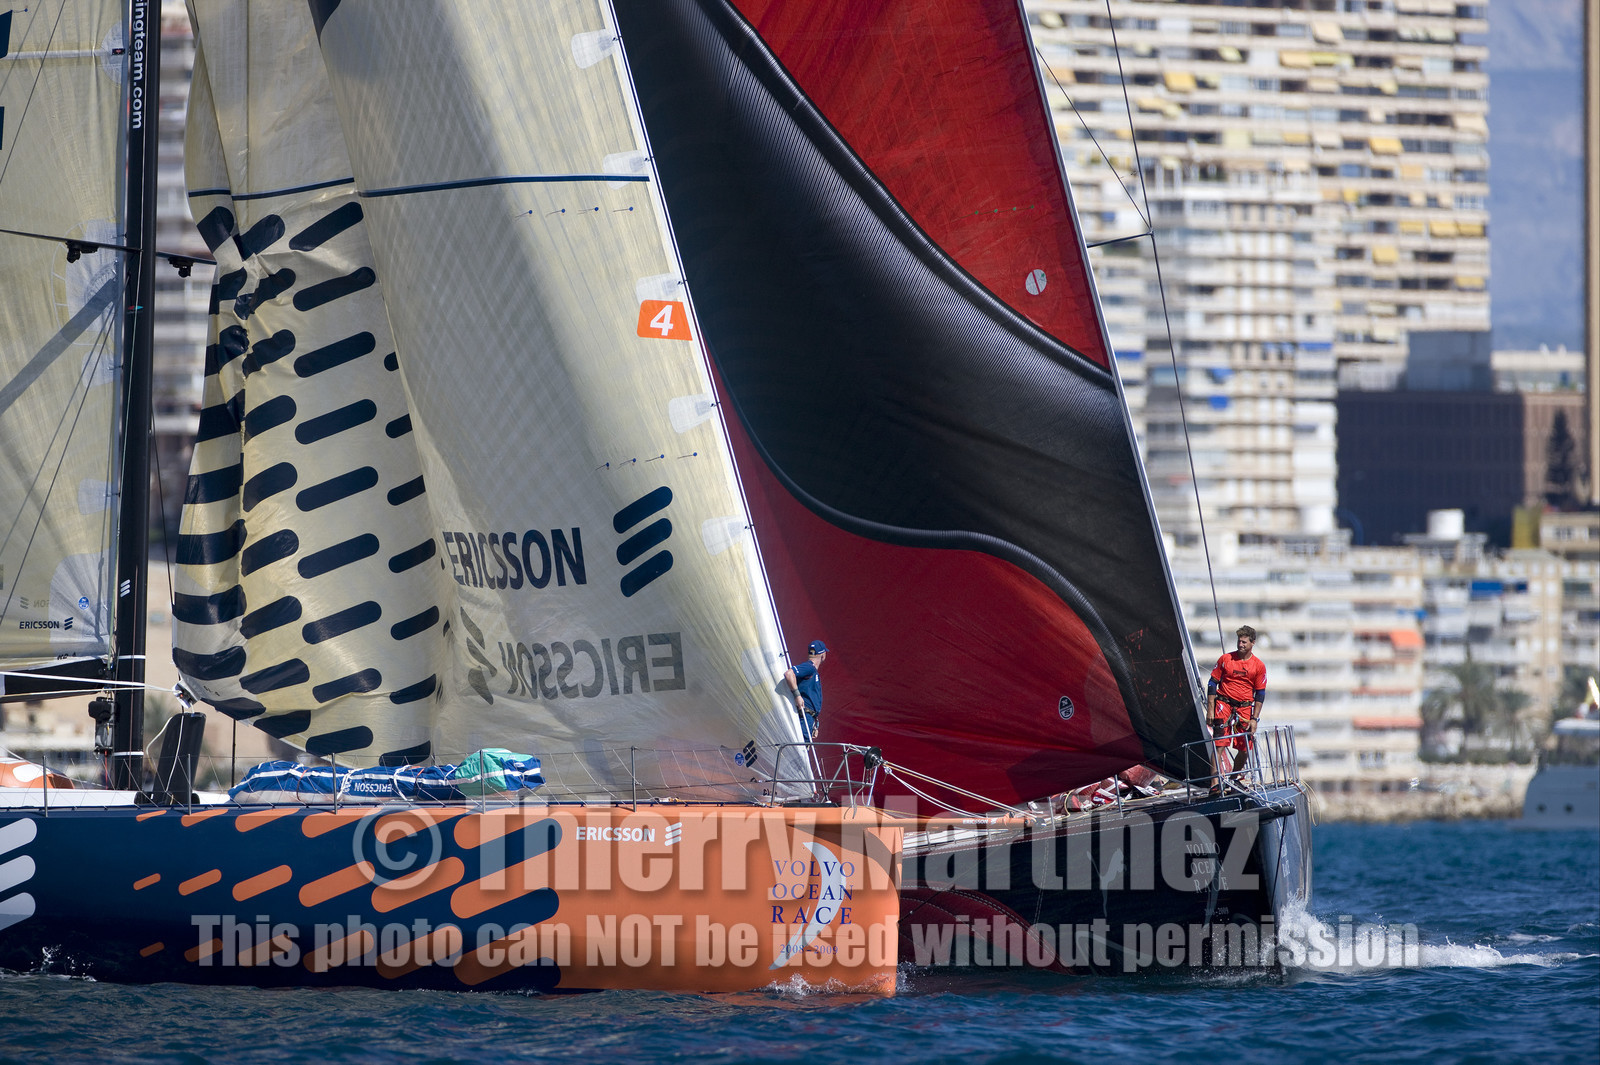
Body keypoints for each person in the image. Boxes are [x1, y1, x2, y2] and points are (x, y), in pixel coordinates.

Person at [1208, 625, 1266, 779]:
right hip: (1224, 704)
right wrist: (1210, 710)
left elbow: (1260, 693)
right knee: (1219, 742)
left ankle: (1234, 778)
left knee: (1245, 747)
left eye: (1244, 642)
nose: (1240, 644)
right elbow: (1212, 684)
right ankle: (1215, 782)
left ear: (1253, 643)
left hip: (1245, 708)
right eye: (1239, 641)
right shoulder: (1226, 659)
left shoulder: (1258, 666)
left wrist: (1255, 719)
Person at [784, 640, 828, 741]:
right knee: (801, 747)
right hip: (804, 717)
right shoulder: (810, 667)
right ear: (822, 654)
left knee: (804, 747)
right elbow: (789, 674)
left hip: (809, 718)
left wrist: (814, 724)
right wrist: (797, 695)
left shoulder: (811, 669)